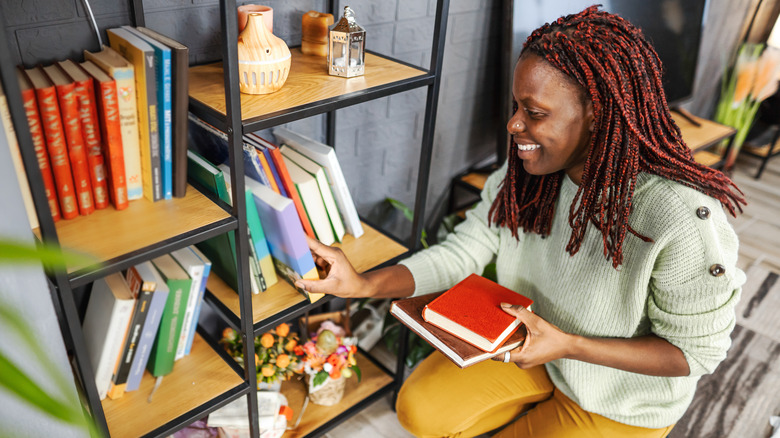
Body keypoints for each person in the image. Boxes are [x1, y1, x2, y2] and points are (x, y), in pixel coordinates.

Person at [294, 6, 746, 438]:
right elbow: (461, 252)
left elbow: (694, 353)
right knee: (417, 409)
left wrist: (569, 345)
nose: (513, 125)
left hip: (618, 398)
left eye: (534, 113)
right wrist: (364, 284)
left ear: (597, 114)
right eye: (516, 106)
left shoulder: (682, 219)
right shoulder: (529, 178)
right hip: (533, 346)